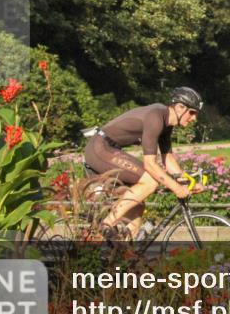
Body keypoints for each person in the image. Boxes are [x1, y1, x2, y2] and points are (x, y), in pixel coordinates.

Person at [85, 87, 205, 239]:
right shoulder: (155, 117)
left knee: (138, 204)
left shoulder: (167, 124)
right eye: (192, 112)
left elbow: (168, 159)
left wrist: (187, 182)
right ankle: (107, 224)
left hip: (108, 149)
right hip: (100, 148)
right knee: (149, 181)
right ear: (179, 107)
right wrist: (176, 188)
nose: (194, 118)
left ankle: (124, 252)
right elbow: (150, 164)